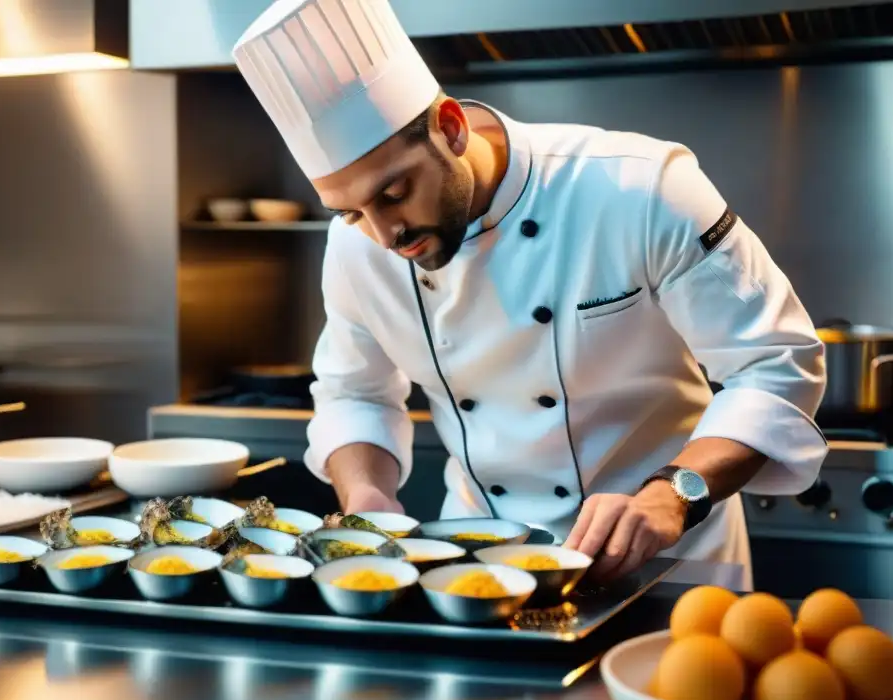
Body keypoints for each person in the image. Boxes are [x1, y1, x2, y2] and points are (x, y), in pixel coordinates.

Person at [232, 0, 826, 588]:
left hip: (670, 563)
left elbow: (773, 364)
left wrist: (671, 496)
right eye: (350, 210)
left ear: (451, 127)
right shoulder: (357, 245)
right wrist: (367, 493)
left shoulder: (639, 187)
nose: (386, 235)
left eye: (394, 193)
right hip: (474, 571)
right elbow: (353, 395)